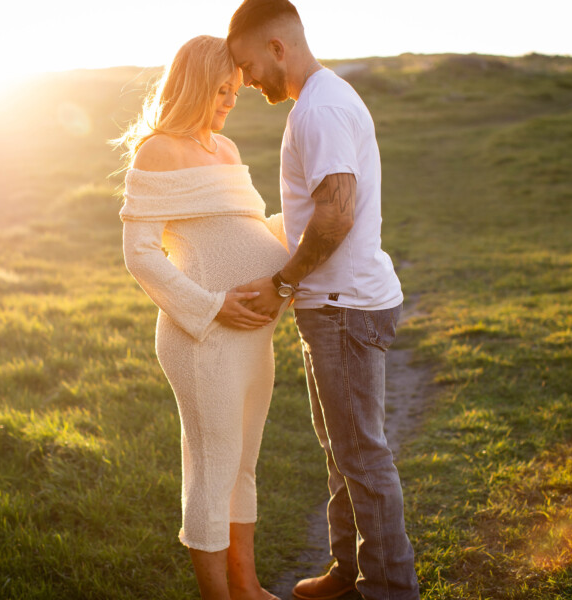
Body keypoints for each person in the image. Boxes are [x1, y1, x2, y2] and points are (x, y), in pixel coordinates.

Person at [226, 1, 420, 599]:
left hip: (345, 309)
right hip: (334, 306)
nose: (246, 79)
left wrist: (283, 283)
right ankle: (347, 570)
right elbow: (317, 213)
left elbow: (336, 215)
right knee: (342, 450)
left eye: (247, 63)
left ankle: (389, 588)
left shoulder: (322, 108)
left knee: (361, 455)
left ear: (277, 47)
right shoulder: (318, 102)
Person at [116, 35, 288, 600]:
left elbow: (251, 229)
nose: (230, 100)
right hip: (204, 335)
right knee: (213, 470)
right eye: (220, 90)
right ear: (192, 85)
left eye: (234, 90)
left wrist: (311, 228)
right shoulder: (157, 151)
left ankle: (249, 588)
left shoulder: (228, 149)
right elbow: (139, 253)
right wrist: (211, 306)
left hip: (251, 335)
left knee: (243, 466)